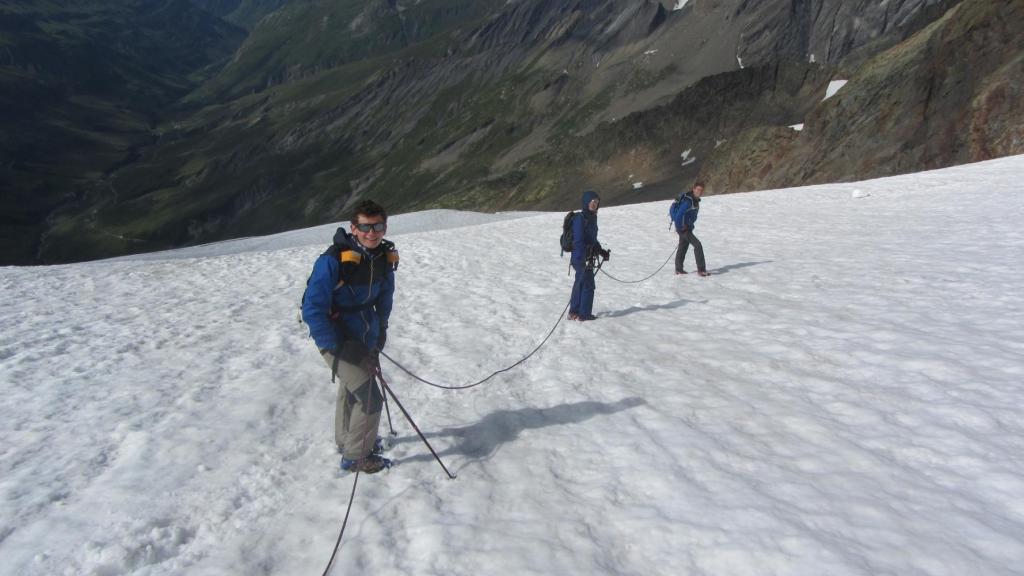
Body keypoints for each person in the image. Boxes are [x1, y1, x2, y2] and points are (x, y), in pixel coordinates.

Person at [301, 200, 399, 474]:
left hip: (365, 336)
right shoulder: (333, 261)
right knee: (370, 399)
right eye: (365, 227)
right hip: (335, 339)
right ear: (353, 228)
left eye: (378, 226)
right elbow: (312, 310)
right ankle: (356, 456)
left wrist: (381, 331)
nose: (372, 233)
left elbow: (384, 299)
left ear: (385, 227)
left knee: (352, 389)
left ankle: (348, 441)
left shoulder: (383, 258)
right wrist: (339, 346)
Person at [568, 190, 610, 321]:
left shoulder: (592, 218)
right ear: (586, 202)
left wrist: (601, 251)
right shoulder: (580, 218)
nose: (594, 204)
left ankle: (574, 312)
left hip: (585, 257)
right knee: (588, 285)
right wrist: (585, 255)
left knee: (580, 283)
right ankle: (584, 314)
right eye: (592, 202)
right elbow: (579, 240)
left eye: (596, 202)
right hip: (581, 257)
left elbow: (592, 239)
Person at [672, 181, 709, 277]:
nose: (700, 192)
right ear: (694, 189)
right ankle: (701, 269)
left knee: (683, 246)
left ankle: (678, 269)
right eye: (698, 189)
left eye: (701, 190)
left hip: (686, 227)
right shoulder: (688, 201)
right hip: (684, 228)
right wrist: (681, 227)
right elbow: (679, 215)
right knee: (697, 245)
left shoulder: (694, 200)